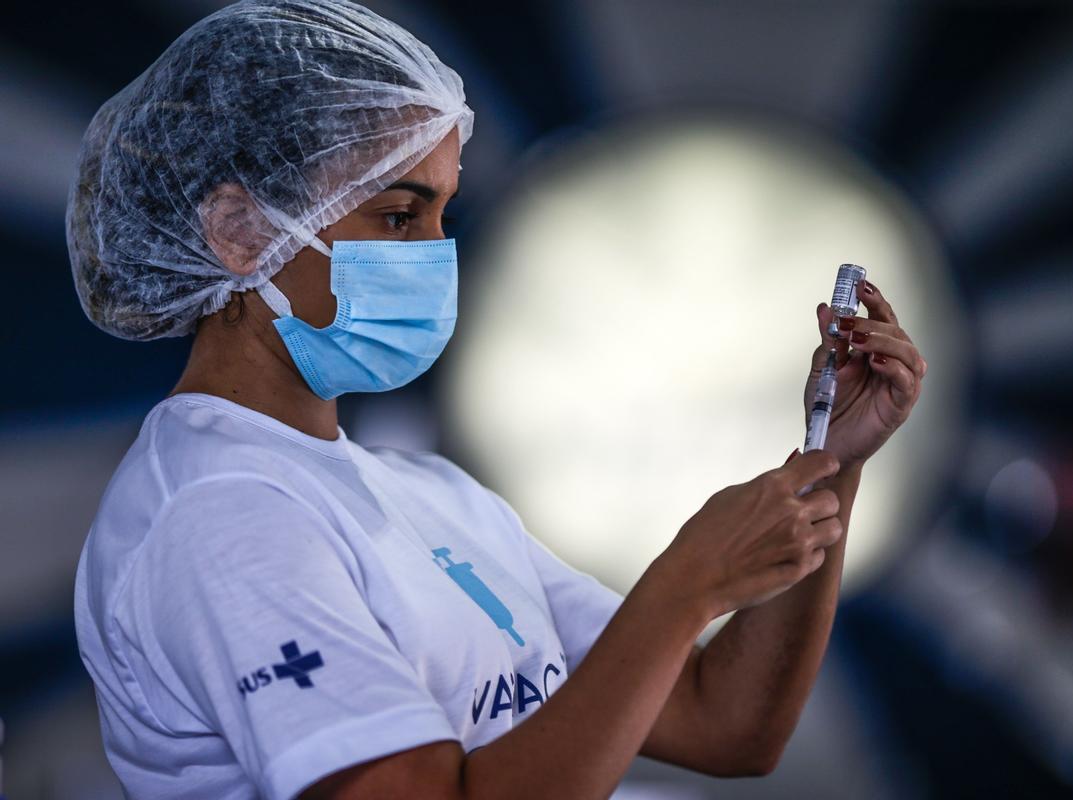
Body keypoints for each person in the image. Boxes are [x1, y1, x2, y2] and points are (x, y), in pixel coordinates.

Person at [68, 1, 927, 798]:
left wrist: (833, 462)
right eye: (400, 218)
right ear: (239, 230)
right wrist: (686, 586)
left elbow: (725, 722)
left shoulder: (429, 496)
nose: (437, 256)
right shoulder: (217, 513)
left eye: (444, 214)